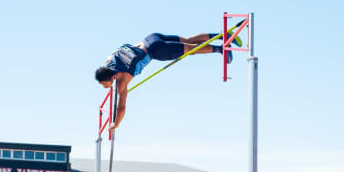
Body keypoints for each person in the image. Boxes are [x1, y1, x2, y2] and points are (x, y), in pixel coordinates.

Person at [95, 32, 241, 132]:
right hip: (150, 39)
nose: (105, 87)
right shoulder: (109, 60)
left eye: (104, 84)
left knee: (191, 50)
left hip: (157, 51)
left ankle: (220, 49)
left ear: (109, 78)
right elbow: (118, 51)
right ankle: (223, 35)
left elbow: (121, 108)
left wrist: (116, 124)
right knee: (188, 40)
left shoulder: (122, 81)